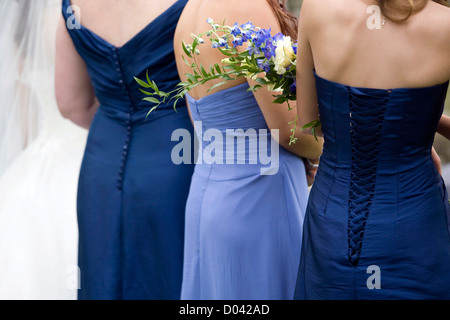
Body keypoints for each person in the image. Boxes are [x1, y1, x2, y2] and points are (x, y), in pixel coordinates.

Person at [294, 0, 450, 299]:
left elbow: (308, 122)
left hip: (332, 220)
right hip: (416, 223)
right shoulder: (444, 23)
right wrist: (422, 122)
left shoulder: (316, 8)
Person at [174, 0, 323, 300]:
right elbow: (288, 130)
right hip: (259, 204)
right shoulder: (247, 7)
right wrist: (323, 151)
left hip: (208, 199)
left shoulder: (189, 13)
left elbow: (201, 124)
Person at [55, 0, 195, 300]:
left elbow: (70, 103)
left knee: (102, 274)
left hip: (102, 159)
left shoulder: (73, 5)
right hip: (176, 155)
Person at [0, 0, 87, 299]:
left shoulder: (18, 31)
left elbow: (25, 123)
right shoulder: (75, 15)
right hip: (84, 146)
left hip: (37, 157)